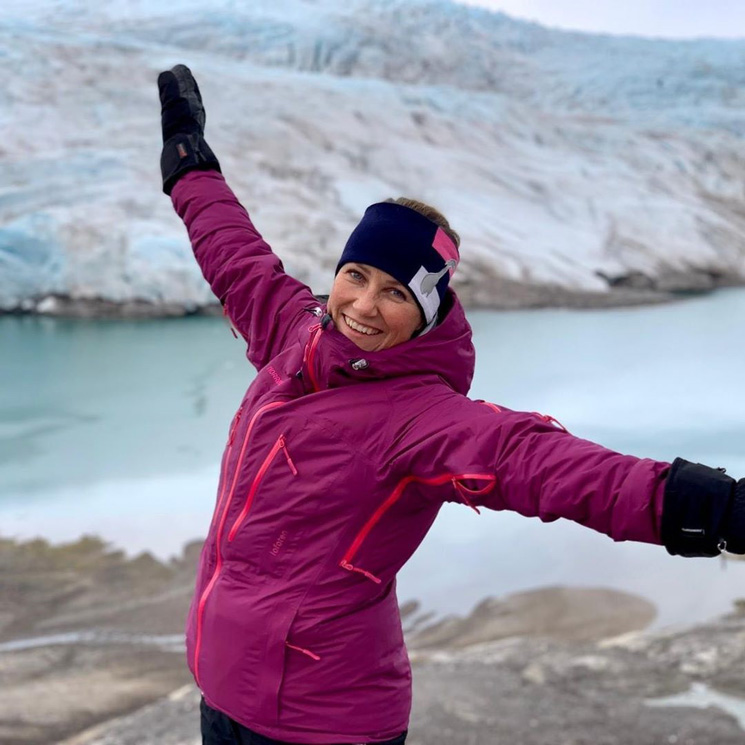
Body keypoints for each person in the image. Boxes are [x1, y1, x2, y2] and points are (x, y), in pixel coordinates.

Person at [157, 65, 745, 745]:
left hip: (317, 723)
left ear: (426, 314)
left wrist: (717, 509)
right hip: (225, 693)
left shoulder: (421, 419)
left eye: (396, 293)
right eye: (356, 276)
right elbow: (234, 253)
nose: (364, 305)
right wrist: (188, 164)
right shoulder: (295, 333)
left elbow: (551, 467)